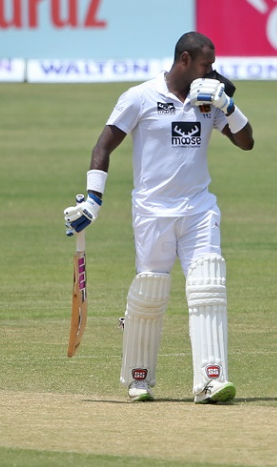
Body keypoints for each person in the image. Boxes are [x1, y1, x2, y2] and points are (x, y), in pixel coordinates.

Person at [63, 31, 255, 404]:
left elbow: (246, 142)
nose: (211, 71)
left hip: (199, 210)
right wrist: (93, 201)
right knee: (150, 292)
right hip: (153, 213)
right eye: (205, 64)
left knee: (208, 288)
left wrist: (229, 107)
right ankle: (140, 378)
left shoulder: (209, 97)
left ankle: (211, 381)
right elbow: (103, 145)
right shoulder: (141, 97)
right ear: (184, 60)